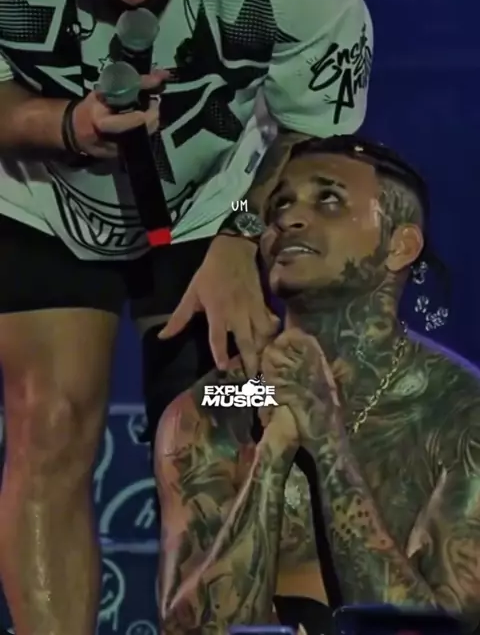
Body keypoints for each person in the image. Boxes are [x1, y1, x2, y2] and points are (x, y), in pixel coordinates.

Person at [0, 0, 372, 635]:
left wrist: (240, 234)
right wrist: (65, 126)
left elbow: (321, 134)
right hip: (34, 189)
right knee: (48, 420)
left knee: (220, 431)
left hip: (221, 195)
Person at [155, 136, 480, 635]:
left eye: (328, 199)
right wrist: (273, 453)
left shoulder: (460, 410)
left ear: (400, 245)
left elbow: (435, 629)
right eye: (278, 204)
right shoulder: (213, 406)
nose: (287, 218)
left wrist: (326, 440)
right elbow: (192, 630)